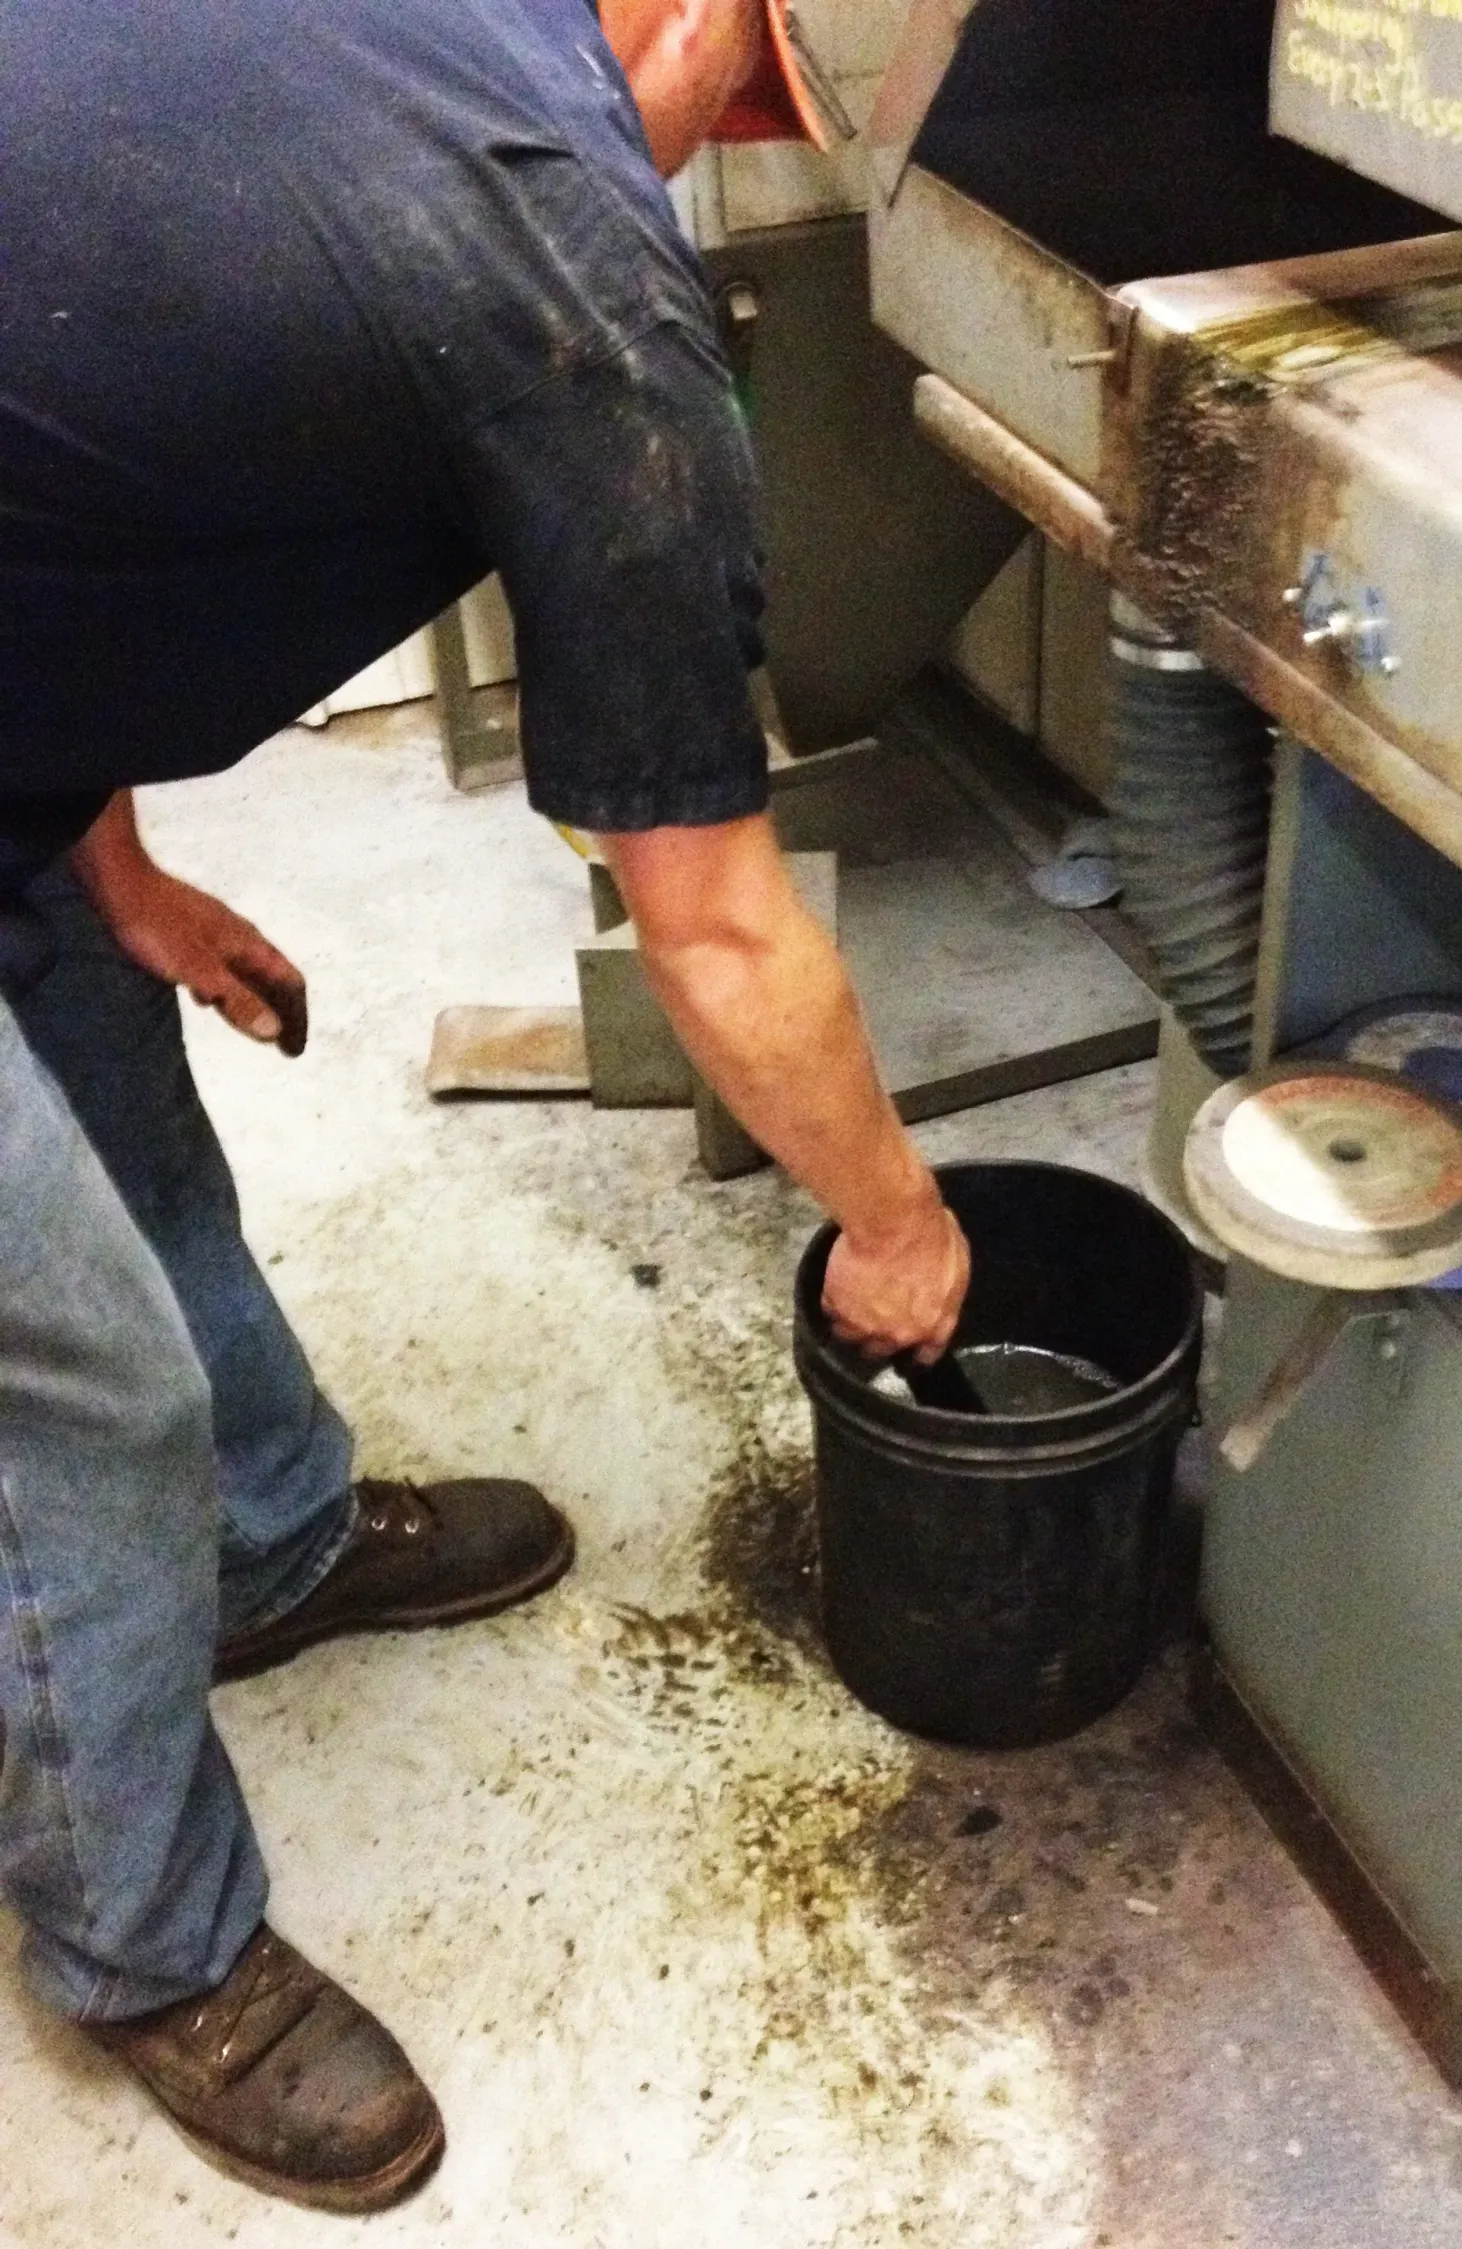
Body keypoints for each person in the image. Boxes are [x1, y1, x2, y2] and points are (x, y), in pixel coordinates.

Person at [0, 0, 969, 2212]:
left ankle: (273, 1539)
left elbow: (69, 453)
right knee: (68, 1379)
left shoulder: (391, 41)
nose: (729, 167)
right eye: (757, 113)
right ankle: (151, 1945)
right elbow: (717, 933)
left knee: (117, 1095)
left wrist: (111, 866)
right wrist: (899, 1221)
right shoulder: (571, 278)